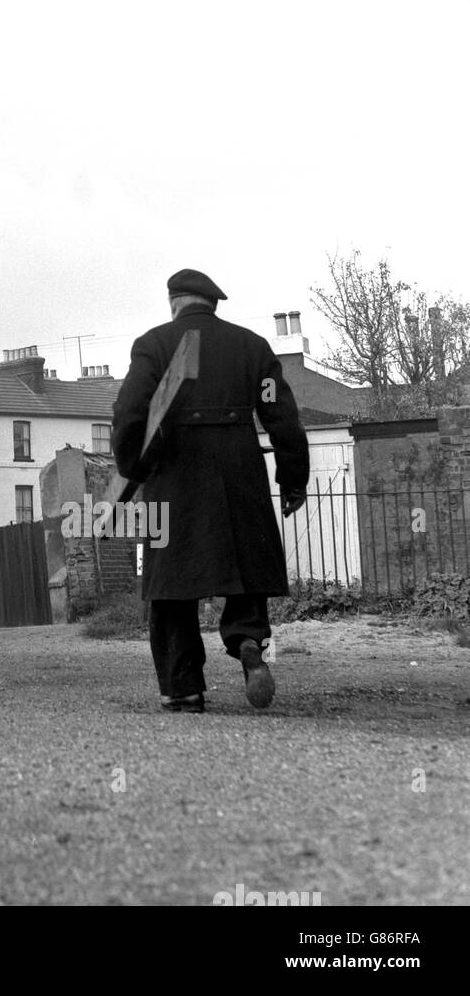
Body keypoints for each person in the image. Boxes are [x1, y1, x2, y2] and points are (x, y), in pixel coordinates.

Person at [111, 269, 309, 713]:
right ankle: (248, 642)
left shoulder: (154, 345)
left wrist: (133, 466)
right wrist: (292, 478)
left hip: (174, 475)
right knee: (244, 566)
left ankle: (184, 689)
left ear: (173, 302)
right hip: (240, 467)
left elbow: (129, 411)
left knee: (171, 586)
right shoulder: (252, 347)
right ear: (213, 304)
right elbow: (282, 417)